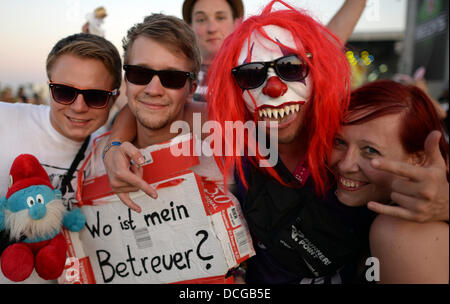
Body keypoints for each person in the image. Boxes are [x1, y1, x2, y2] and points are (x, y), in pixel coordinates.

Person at [103, 0, 448, 283]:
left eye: (291, 67)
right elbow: (150, 103)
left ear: (317, 71)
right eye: (252, 74)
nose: (274, 88)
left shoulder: (347, 138)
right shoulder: (233, 130)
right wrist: (114, 147)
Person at [0, 33, 122, 283]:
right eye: (64, 92)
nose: (78, 107)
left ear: (114, 98)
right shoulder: (6, 120)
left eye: (96, 96)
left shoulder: (113, 150)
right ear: (49, 85)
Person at [329, 80, 449, 283]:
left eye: (370, 150)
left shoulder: (399, 231)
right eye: (339, 142)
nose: (345, 165)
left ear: (418, 159)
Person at [182, 0, 368, 101]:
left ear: (237, 22)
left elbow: (326, 43)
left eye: (220, 17)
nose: (211, 27)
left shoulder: (260, 61)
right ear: (189, 25)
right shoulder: (173, 72)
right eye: (200, 19)